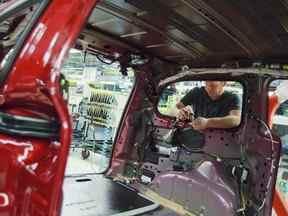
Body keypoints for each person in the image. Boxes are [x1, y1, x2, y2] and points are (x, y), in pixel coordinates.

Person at [176, 81, 241, 130]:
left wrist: (207, 123)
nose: (208, 84)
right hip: (197, 134)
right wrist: (183, 110)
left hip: (221, 136)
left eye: (213, 84)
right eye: (206, 82)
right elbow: (177, 106)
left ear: (223, 83)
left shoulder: (232, 97)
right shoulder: (196, 92)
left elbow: (236, 120)